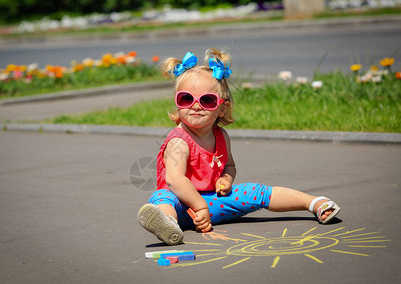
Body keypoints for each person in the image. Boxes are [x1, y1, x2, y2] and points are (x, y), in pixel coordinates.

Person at [137, 48, 341, 246]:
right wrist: (199, 206)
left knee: (256, 192)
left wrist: (226, 178)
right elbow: (174, 180)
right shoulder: (179, 141)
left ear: (222, 108)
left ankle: (313, 203)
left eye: (207, 100)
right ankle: (167, 224)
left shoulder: (221, 136)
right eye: (186, 98)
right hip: (182, 206)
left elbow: (229, 166)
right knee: (161, 197)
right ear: (177, 103)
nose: (196, 106)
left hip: (212, 203)